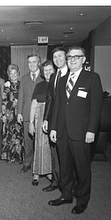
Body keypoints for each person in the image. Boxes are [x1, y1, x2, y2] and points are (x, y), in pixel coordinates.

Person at [49, 46, 103, 214]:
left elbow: (96, 107)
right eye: (70, 57)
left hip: (81, 132)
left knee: (82, 168)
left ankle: (82, 200)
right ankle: (66, 194)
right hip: (62, 131)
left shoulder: (92, 78)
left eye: (76, 57)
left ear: (83, 59)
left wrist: (91, 130)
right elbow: (57, 105)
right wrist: (53, 128)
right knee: (64, 165)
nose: (72, 60)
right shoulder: (63, 79)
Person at [42, 47, 69, 192]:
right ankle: (56, 181)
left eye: (60, 56)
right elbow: (50, 99)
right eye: (55, 57)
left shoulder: (72, 74)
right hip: (53, 122)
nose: (58, 59)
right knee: (55, 154)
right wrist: (46, 119)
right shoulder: (53, 76)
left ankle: (70, 186)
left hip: (69, 123)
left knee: (69, 156)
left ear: (66, 57)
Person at [29, 60, 55, 186]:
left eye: (50, 69)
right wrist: (31, 122)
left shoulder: (59, 84)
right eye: (46, 70)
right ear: (43, 73)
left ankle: (50, 171)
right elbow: (33, 104)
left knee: (51, 146)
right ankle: (37, 172)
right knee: (39, 144)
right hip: (40, 117)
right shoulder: (39, 86)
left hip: (55, 117)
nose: (48, 72)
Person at [17, 54, 43, 173]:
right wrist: (19, 113)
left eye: (34, 62)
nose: (31, 64)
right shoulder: (24, 78)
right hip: (27, 114)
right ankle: (27, 162)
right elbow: (21, 96)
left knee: (41, 142)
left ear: (39, 63)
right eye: (29, 62)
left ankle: (41, 165)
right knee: (28, 142)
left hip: (42, 114)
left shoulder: (45, 76)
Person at [0, 64, 24, 164]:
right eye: (11, 73)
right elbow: (4, 101)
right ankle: (9, 156)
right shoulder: (6, 86)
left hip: (19, 113)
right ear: (9, 75)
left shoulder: (22, 84)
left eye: (15, 73)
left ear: (18, 74)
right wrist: (3, 114)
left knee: (18, 135)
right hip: (9, 113)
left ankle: (18, 157)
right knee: (9, 135)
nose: (13, 75)